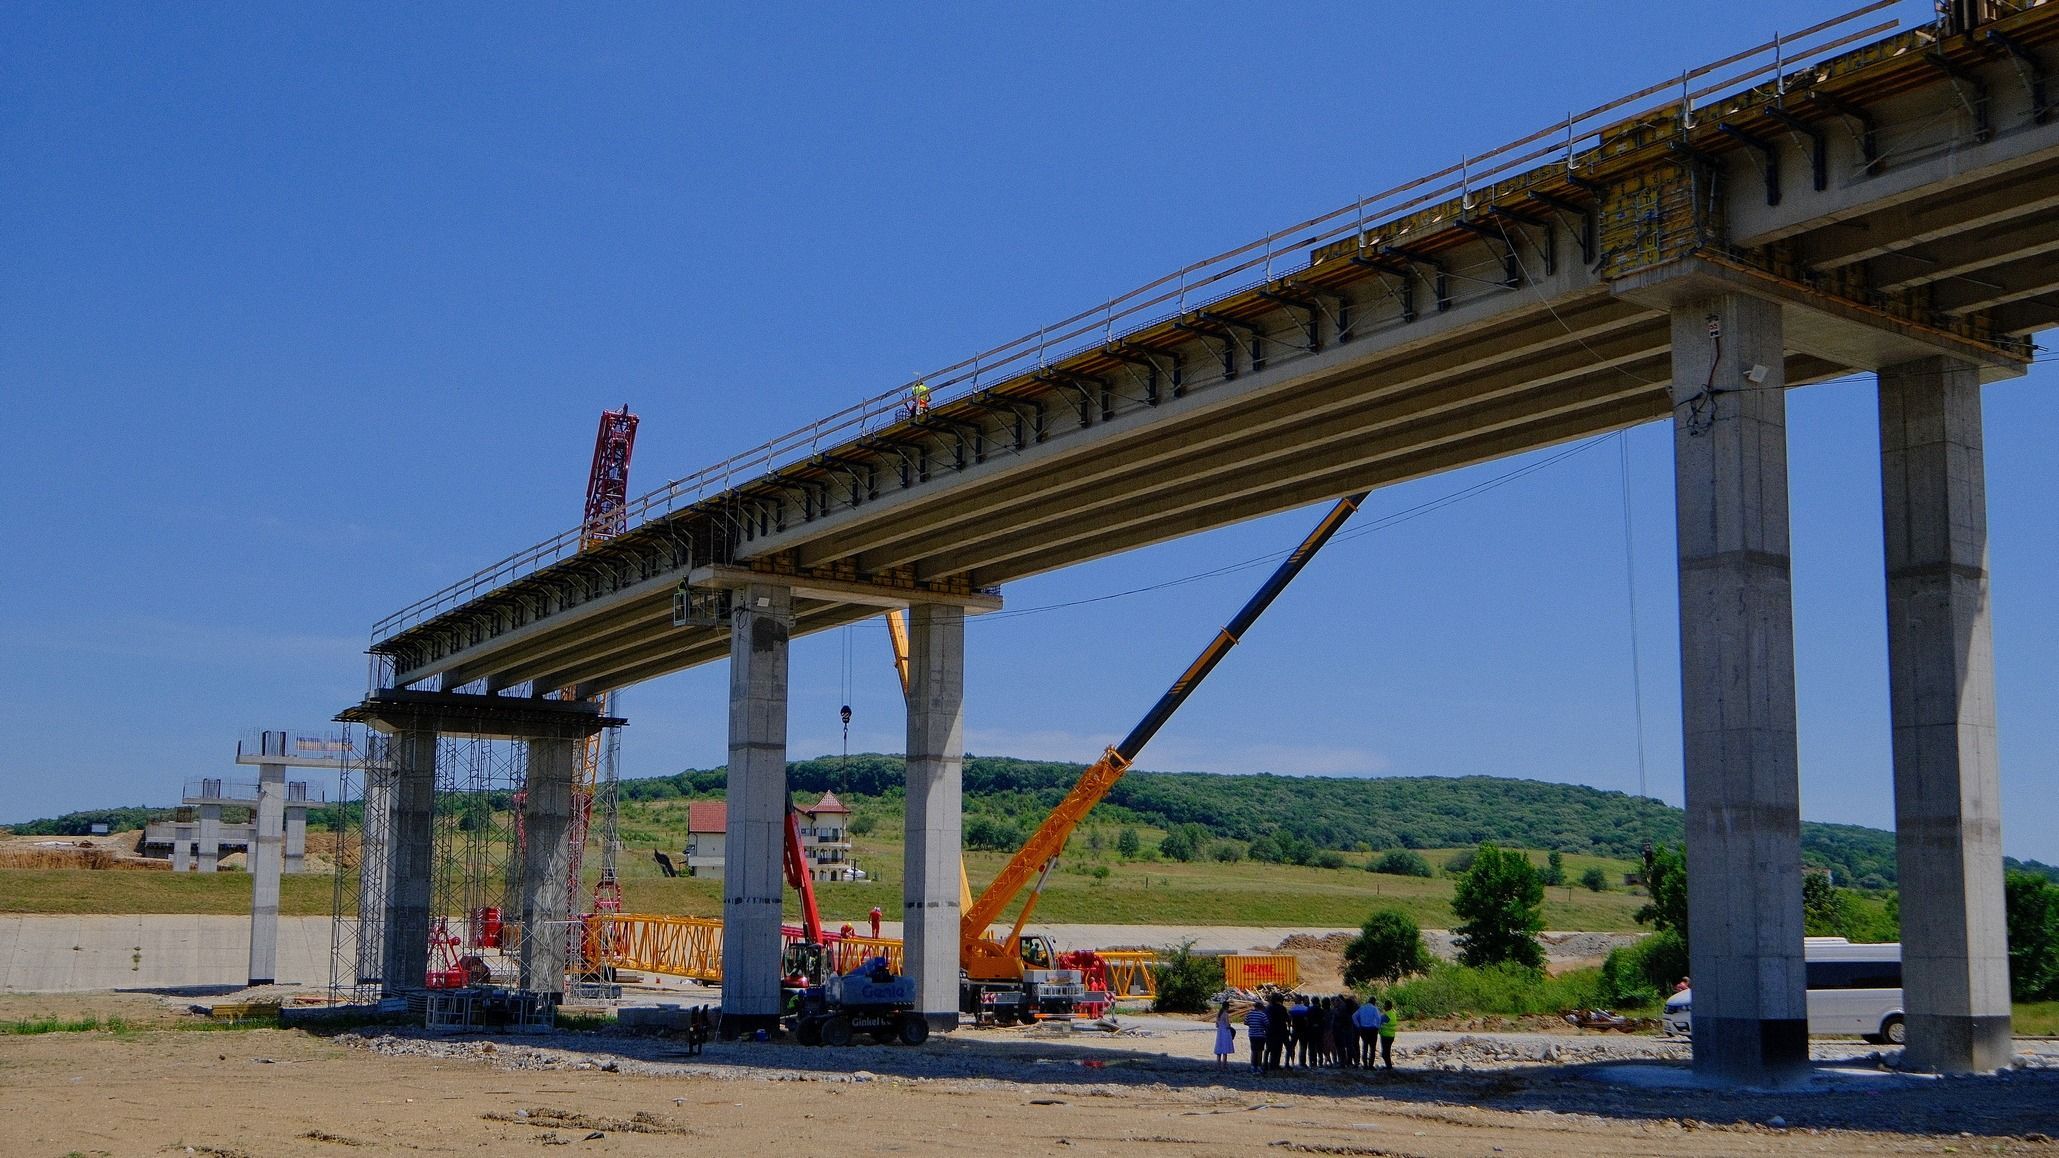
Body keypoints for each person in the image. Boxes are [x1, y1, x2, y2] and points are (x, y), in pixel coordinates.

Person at [1353, 993, 1384, 1068]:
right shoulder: (1374, 1008)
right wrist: (1378, 1026)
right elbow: (1378, 1018)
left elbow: (1353, 1016)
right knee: (1372, 1048)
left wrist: (1358, 1025)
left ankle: (1365, 1065)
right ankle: (1370, 1065)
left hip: (1363, 1029)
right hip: (1372, 1030)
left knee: (1365, 1047)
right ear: (1374, 1002)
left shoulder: (1362, 1008)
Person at [1264, 994, 1290, 1073]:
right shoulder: (1282, 1008)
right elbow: (1287, 1018)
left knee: (1269, 1049)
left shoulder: (1268, 1008)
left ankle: (1265, 1064)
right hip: (1280, 1031)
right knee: (1278, 1049)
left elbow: (1266, 1019)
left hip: (1270, 1031)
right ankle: (1275, 1064)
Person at [1243, 1000, 1271, 1074]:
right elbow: (1267, 1024)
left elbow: (1245, 1022)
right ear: (1261, 1007)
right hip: (1260, 1035)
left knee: (1253, 1051)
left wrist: (1252, 1024)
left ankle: (1252, 1066)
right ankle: (1259, 1066)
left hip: (1252, 1035)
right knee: (1259, 1051)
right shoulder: (1262, 1015)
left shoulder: (1249, 1014)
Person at [1288, 995, 1311, 1069]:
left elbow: (1289, 1020)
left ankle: (1291, 1062)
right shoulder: (1306, 1009)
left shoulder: (1292, 1009)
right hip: (1303, 1030)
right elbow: (1307, 1020)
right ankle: (1302, 1063)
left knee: (1292, 1046)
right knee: (1303, 1047)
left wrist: (1289, 1028)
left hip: (1295, 1030)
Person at [1213, 1002, 1236, 1073]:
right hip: (1225, 1032)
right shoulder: (1226, 1014)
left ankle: (1218, 1065)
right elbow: (1227, 1024)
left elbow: (1216, 1024)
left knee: (1219, 1047)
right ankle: (1224, 1066)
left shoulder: (1218, 1014)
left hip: (1220, 1032)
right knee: (1225, 1048)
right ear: (1227, 1007)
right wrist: (1230, 1025)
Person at [1376, 999, 1398, 1071]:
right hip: (1391, 1036)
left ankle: (1388, 1066)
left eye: (1385, 1005)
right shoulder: (1393, 1013)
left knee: (1385, 1053)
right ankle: (1388, 1066)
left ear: (1387, 1006)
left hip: (1385, 1035)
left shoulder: (1386, 1015)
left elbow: (1378, 1021)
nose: (1383, 1007)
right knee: (1387, 1052)